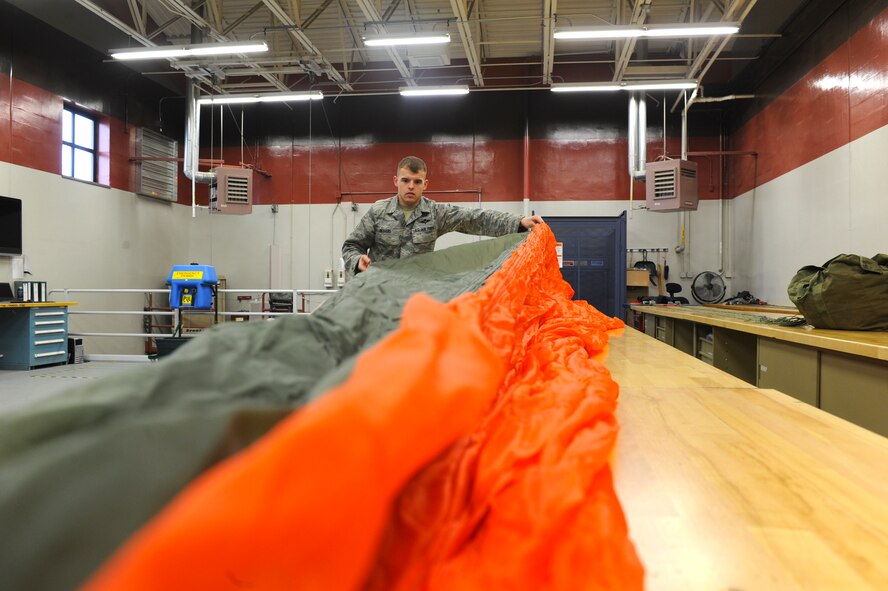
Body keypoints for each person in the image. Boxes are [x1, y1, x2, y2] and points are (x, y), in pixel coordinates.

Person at [342, 156, 544, 278]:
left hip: (416, 294)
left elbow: (475, 218)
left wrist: (518, 222)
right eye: (405, 180)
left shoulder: (436, 213)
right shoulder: (378, 212)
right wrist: (357, 260)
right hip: (379, 292)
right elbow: (351, 246)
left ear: (425, 184)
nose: (411, 186)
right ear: (396, 181)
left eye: (417, 181)